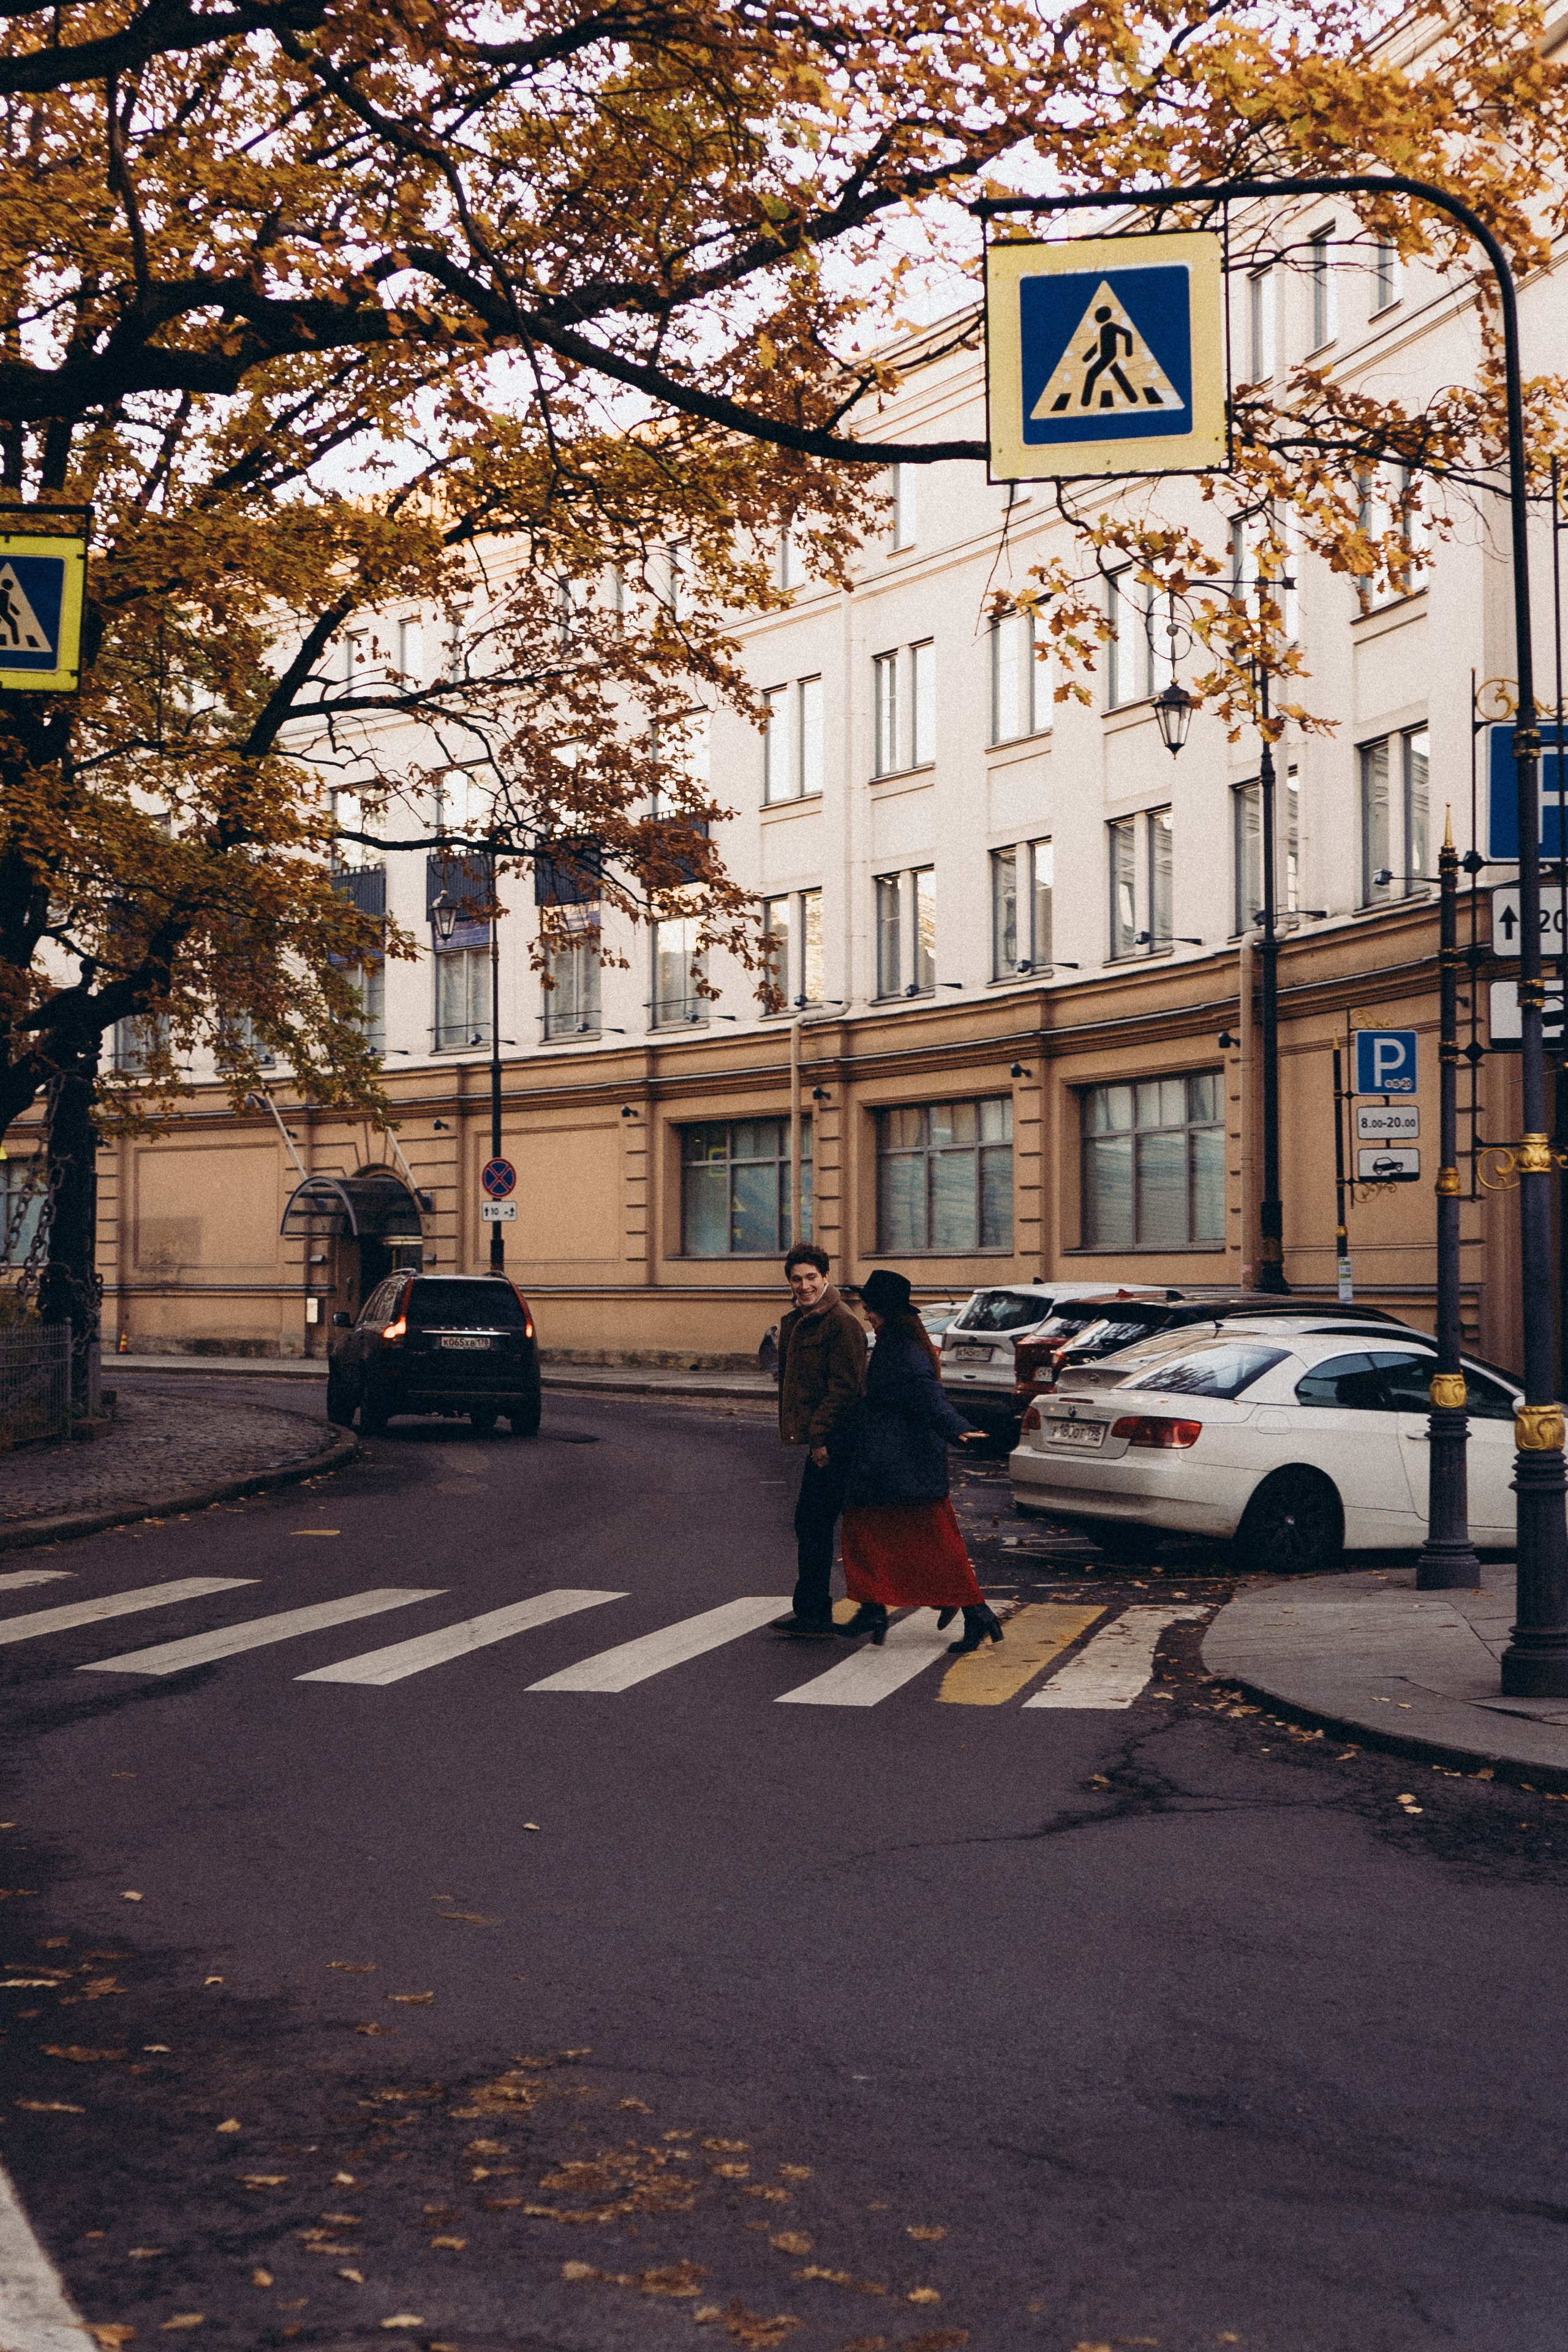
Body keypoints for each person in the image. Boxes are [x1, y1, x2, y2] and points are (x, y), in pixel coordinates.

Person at [839, 1268, 1002, 1655]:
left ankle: (976, 1613)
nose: (865, 1316)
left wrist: (957, 1426)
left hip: (900, 1465)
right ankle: (873, 1607)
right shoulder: (899, 1340)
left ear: (883, 1310)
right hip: (895, 1462)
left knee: (931, 1544)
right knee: (867, 1533)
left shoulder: (903, 1349)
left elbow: (928, 1396)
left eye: (869, 1309)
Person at [770, 1241, 868, 1640]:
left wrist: (820, 1437)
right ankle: (815, 1610)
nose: (804, 1285)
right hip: (824, 1439)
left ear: (826, 1277)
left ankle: (818, 1613)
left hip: (835, 1440)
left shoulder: (840, 1322)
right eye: (797, 1279)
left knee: (818, 1522)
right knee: (816, 1523)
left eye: (811, 1277)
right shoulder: (803, 1319)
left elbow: (844, 1388)